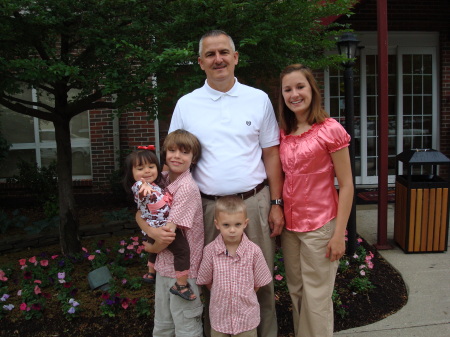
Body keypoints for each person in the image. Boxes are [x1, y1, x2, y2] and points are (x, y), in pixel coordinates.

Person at [168, 29, 284, 337]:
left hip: (254, 203)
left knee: (261, 283)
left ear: (235, 58)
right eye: (210, 54)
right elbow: (175, 161)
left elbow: (272, 154)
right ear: (200, 62)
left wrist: (276, 203)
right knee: (212, 283)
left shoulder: (257, 99)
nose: (217, 59)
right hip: (208, 209)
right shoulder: (186, 105)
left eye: (223, 53)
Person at [277, 64, 354, 337]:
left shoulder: (329, 129)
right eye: (288, 89)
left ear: (312, 89)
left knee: (317, 298)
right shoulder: (284, 130)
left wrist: (339, 234)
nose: (294, 94)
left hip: (321, 226)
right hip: (291, 228)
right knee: (296, 292)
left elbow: (346, 185)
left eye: (300, 87)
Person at [135, 129, 204, 336]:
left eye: (184, 152)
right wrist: (149, 231)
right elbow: (139, 214)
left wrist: (150, 246)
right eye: (172, 150)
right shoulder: (159, 180)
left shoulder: (187, 188)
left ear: (193, 159)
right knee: (163, 325)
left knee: (186, 328)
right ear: (164, 153)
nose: (177, 156)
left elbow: (168, 235)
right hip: (163, 267)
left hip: (183, 272)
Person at [122, 145, 194, 300]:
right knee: (182, 251)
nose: (147, 171)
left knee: (151, 242)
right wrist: (144, 187)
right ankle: (181, 285)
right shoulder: (139, 186)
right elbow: (140, 189)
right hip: (161, 226)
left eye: (151, 166)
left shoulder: (157, 183)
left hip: (152, 224)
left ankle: (150, 272)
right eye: (140, 168)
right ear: (132, 173)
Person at [197, 195, 273, 337]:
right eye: (226, 225)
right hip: (220, 319)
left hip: (246, 320)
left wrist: (244, 295)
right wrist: (221, 293)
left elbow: (258, 283)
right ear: (217, 224)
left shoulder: (254, 251)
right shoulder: (210, 251)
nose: (232, 230)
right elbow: (207, 280)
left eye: (237, 224)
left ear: (245, 223)